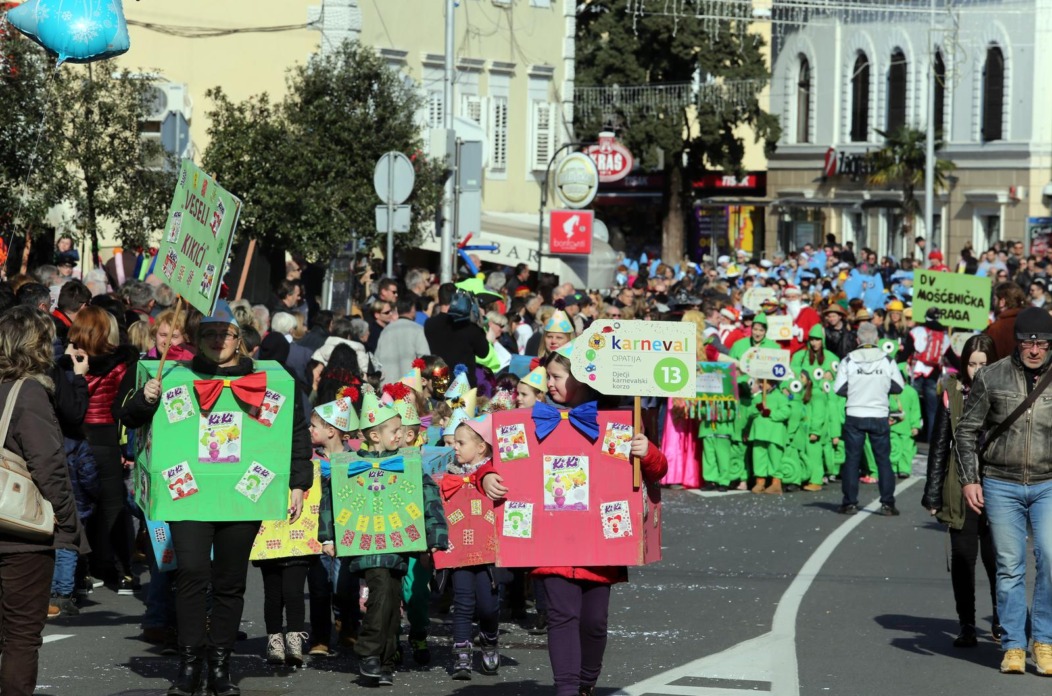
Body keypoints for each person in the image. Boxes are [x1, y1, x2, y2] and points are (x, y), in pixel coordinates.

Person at [117, 302, 313, 696]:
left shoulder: (272, 379)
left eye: (225, 334)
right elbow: (128, 417)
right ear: (196, 340)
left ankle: (220, 666)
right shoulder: (172, 376)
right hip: (188, 497)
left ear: (239, 340)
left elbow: (295, 433)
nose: (218, 340)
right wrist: (146, 397)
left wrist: (297, 483)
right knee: (190, 576)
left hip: (243, 497)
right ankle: (189, 666)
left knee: (229, 582)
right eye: (209, 334)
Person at [479, 350, 668, 696]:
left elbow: (656, 472)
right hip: (551, 545)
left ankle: (585, 683)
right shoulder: (530, 421)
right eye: (546, 376)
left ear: (582, 378)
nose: (548, 384)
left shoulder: (618, 421)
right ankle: (566, 689)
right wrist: (487, 478)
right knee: (562, 617)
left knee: (594, 623)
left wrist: (648, 452)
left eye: (555, 376)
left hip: (600, 546)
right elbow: (498, 462)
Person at [956, 307, 1052, 675]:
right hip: (1001, 481)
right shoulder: (992, 376)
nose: (1034, 349)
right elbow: (966, 431)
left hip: (1047, 482)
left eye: (1042, 343)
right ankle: (1013, 644)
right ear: (1017, 342)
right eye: (1028, 341)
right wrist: (969, 479)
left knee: (1049, 559)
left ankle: (1043, 640)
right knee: (1009, 566)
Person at [0, 307, 83, 696]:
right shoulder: (28, 392)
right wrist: (67, 522)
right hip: (19, 533)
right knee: (20, 635)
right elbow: (48, 466)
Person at [922, 334, 1000, 649]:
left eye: (984, 364)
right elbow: (939, 445)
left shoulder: (1007, 389)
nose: (977, 370)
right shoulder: (952, 392)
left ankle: (1000, 619)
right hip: (959, 485)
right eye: (972, 364)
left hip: (999, 485)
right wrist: (932, 492)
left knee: (998, 560)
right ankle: (967, 623)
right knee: (964, 558)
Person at [61, 305, 139, 593]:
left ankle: (80, 571)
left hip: (74, 436)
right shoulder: (120, 364)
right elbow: (124, 405)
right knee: (113, 506)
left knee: (78, 507)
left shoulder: (66, 362)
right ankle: (121, 570)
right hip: (105, 437)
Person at [447, 415, 501, 680]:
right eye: (454, 442)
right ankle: (462, 653)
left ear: (481, 447)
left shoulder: (493, 473)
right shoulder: (448, 474)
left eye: (461, 442)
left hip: (488, 552)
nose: (454, 447)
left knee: (488, 605)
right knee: (463, 601)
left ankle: (490, 639)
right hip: (459, 551)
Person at [832, 321, 905, 516]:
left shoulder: (848, 360)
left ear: (857, 340)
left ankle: (849, 503)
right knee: (883, 460)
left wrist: (858, 389)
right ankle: (888, 503)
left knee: (852, 461)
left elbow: (838, 388)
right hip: (879, 414)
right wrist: (879, 387)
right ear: (877, 340)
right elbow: (899, 386)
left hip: (855, 413)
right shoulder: (887, 360)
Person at [374, 297, 430, 383]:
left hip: (388, 386)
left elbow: (376, 361)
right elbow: (424, 358)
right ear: (412, 309)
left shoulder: (386, 331)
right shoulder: (418, 329)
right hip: (410, 387)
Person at [984, 282, 1026, 361]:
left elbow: (989, 360)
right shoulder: (1031, 321)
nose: (993, 303)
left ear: (1002, 302)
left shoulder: (997, 328)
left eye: (995, 299)